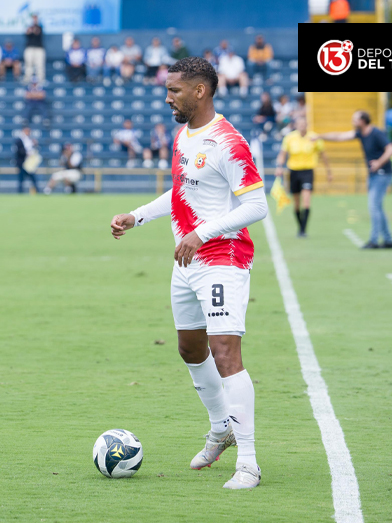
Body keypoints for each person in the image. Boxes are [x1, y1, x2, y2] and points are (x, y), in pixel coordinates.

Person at [110, 56, 267, 490]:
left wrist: (201, 233)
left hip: (223, 258)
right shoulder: (185, 135)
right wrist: (137, 216)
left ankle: (249, 464)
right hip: (187, 260)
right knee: (189, 348)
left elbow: (257, 205)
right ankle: (222, 428)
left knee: (225, 353)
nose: (167, 97)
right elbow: (182, 189)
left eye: (174, 90)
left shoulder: (229, 142)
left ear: (200, 91)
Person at [315, 111, 392, 249]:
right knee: (378, 207)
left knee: (373, 206)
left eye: (355, 119)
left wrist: (378, 163)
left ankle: (374, 240)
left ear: (363, 121)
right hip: (373, 174)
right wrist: (320, 136)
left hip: (382, 174)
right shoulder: (360, 133)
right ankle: (388, 240)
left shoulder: (376, 133)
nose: (352, 122)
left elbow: (391, 149)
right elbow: (339, 136)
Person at [275, 116, 331, 237]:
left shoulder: (314, 137)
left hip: (307, 171)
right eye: (299, 123)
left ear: (307, 125)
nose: (302, 126)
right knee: (296, 203)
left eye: (304, 123)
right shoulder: (290, 138)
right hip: (294, 171)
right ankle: (300, 226)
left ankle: (303, 230)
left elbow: (323, 155)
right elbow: (282, 154)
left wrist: (328, 171)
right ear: (296, 125)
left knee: (306, 200)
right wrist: (279, 166)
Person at [15, 126, 39, 193]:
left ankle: (37, 191)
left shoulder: (30, 140)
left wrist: (34, 144)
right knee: (21, 180)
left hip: (30, 163)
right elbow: (19, 151)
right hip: (22, 163)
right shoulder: (19, 140)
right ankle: (20, 192)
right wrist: (26, 153)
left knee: (33, 178)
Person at [23, 13, 45, 83]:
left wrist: (33, 28)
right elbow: (27, 32)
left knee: (40, 65)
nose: (34, 19)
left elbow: (36, 32)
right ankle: (27, 79)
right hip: (29, 48)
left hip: (39, 48)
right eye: (33, 18)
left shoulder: (40, 27)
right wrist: (30, 28)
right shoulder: (28, 26)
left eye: (36, 18)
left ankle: (41, 80)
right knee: (28, 64)